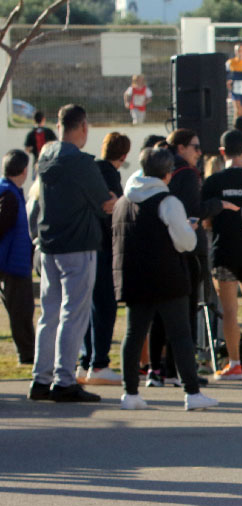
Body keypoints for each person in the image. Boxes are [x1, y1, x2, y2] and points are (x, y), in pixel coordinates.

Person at [114, 147, 219, 411]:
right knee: (180, 334)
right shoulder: (168, 202)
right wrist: (189, 229)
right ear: (168, 174)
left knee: (134, 334)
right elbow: (185, 242)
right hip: (167, 275)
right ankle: (191, 392)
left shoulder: (123, 202)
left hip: (134, 275)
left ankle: (130, 393)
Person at [27, 104, 108, 403]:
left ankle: (41, 378)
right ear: (83, 126)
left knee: (49, 314)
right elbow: (103, 202)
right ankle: (63, 380)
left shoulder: (45, 158)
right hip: (78, 245)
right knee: (73, 315)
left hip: (49, 245)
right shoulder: (82, 163)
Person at [201, 129, 242, 381]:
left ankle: (235, 364)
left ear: (222, 151)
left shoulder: (213, 182)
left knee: (229, 310)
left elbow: (205, 220)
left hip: (223, 251)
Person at [77, 131, 130, 386]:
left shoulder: (88, 171)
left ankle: (86, 361)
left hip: (86, 244)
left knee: (87, 306)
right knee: (105, 305)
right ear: (124, 155)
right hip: (105, 246)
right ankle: (99, 363)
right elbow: (115, 207)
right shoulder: (110, 175)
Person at [0, 149, 34, 366]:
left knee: (21, 311)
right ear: (24, 170)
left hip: (13, 261)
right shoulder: (9, 194)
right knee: (21, 311)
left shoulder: (10, 191)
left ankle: (28, 352)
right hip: (13, 263)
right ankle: (27, 354)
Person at [23, 111, 56, 180]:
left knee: (36, 182)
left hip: (37, 162)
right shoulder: (49, 132)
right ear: (43, 119)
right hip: (49, 162)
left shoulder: (31, 133)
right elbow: (56, 144)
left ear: (34, 120)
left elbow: (27, 149)